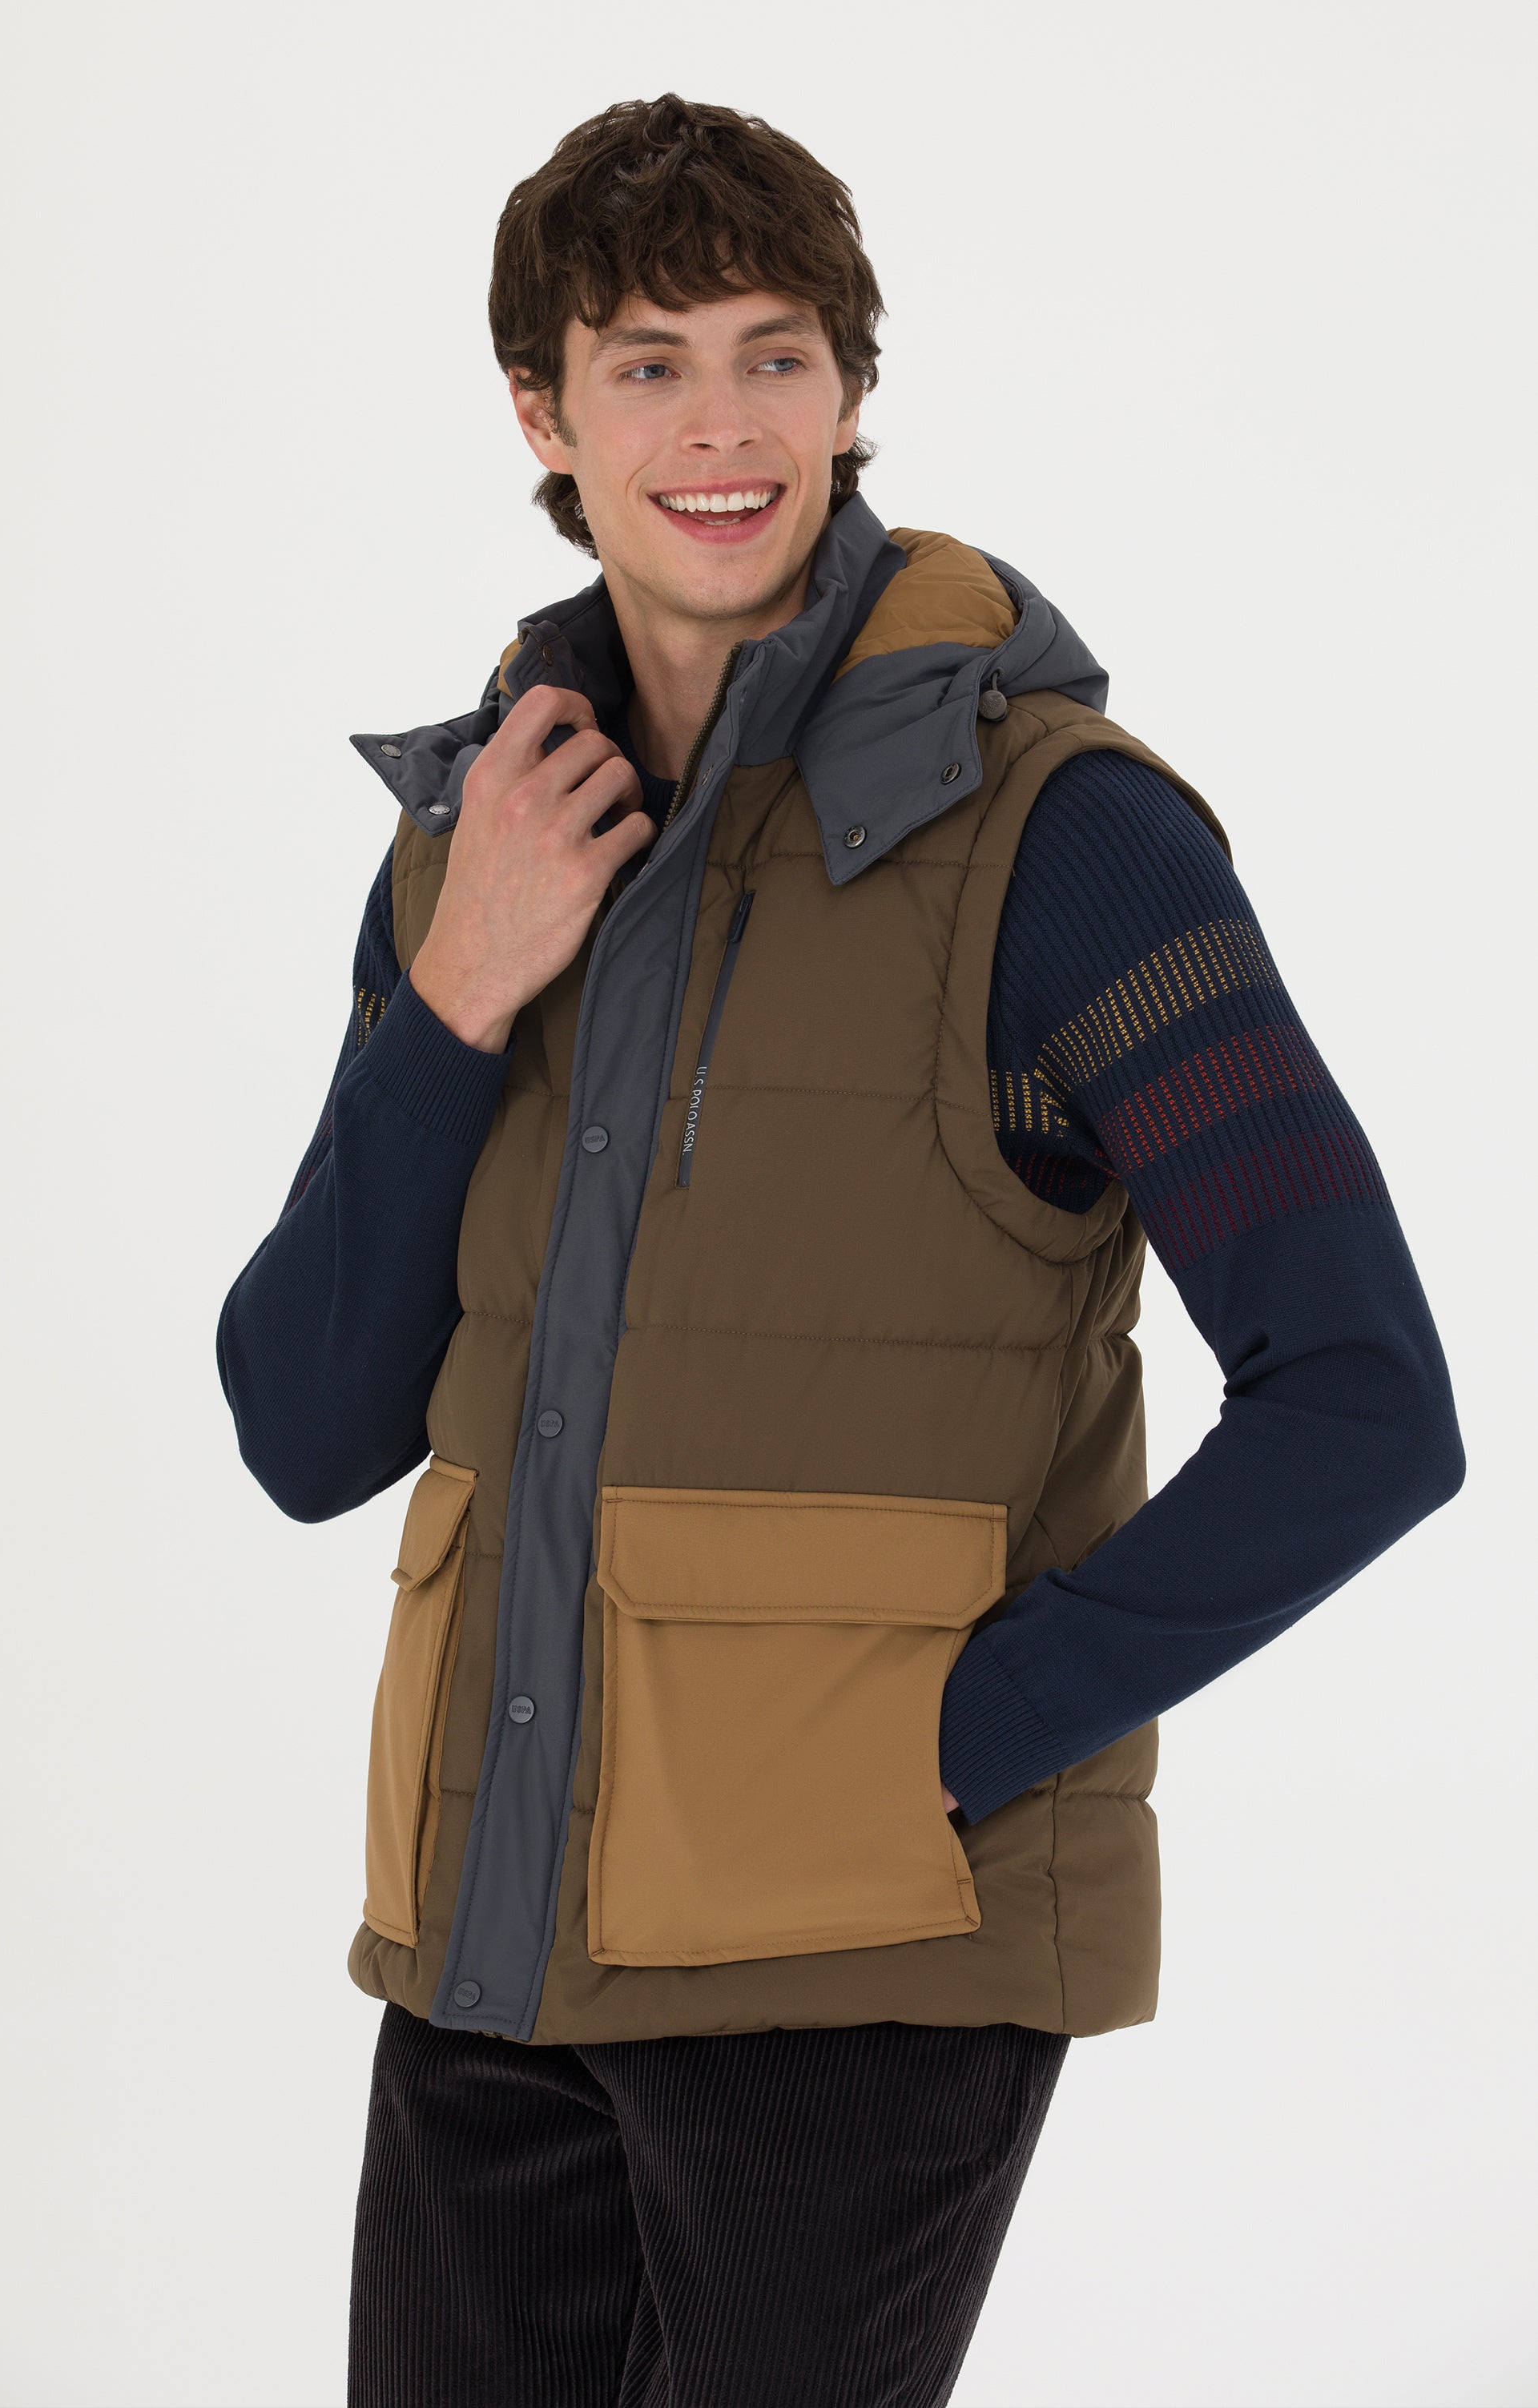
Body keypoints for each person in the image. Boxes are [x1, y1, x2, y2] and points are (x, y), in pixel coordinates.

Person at [217, 94, 1464, 2408]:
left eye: (775, 357)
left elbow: (1368, 1408)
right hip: (493, 1946)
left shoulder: (1061, 841)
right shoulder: (489, 842)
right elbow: (305, 1427)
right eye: (649, 364)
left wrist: (934, 1750)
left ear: (853, 391)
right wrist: (458, 994)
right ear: (542, 415)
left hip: (862, 1967)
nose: (722, 428)